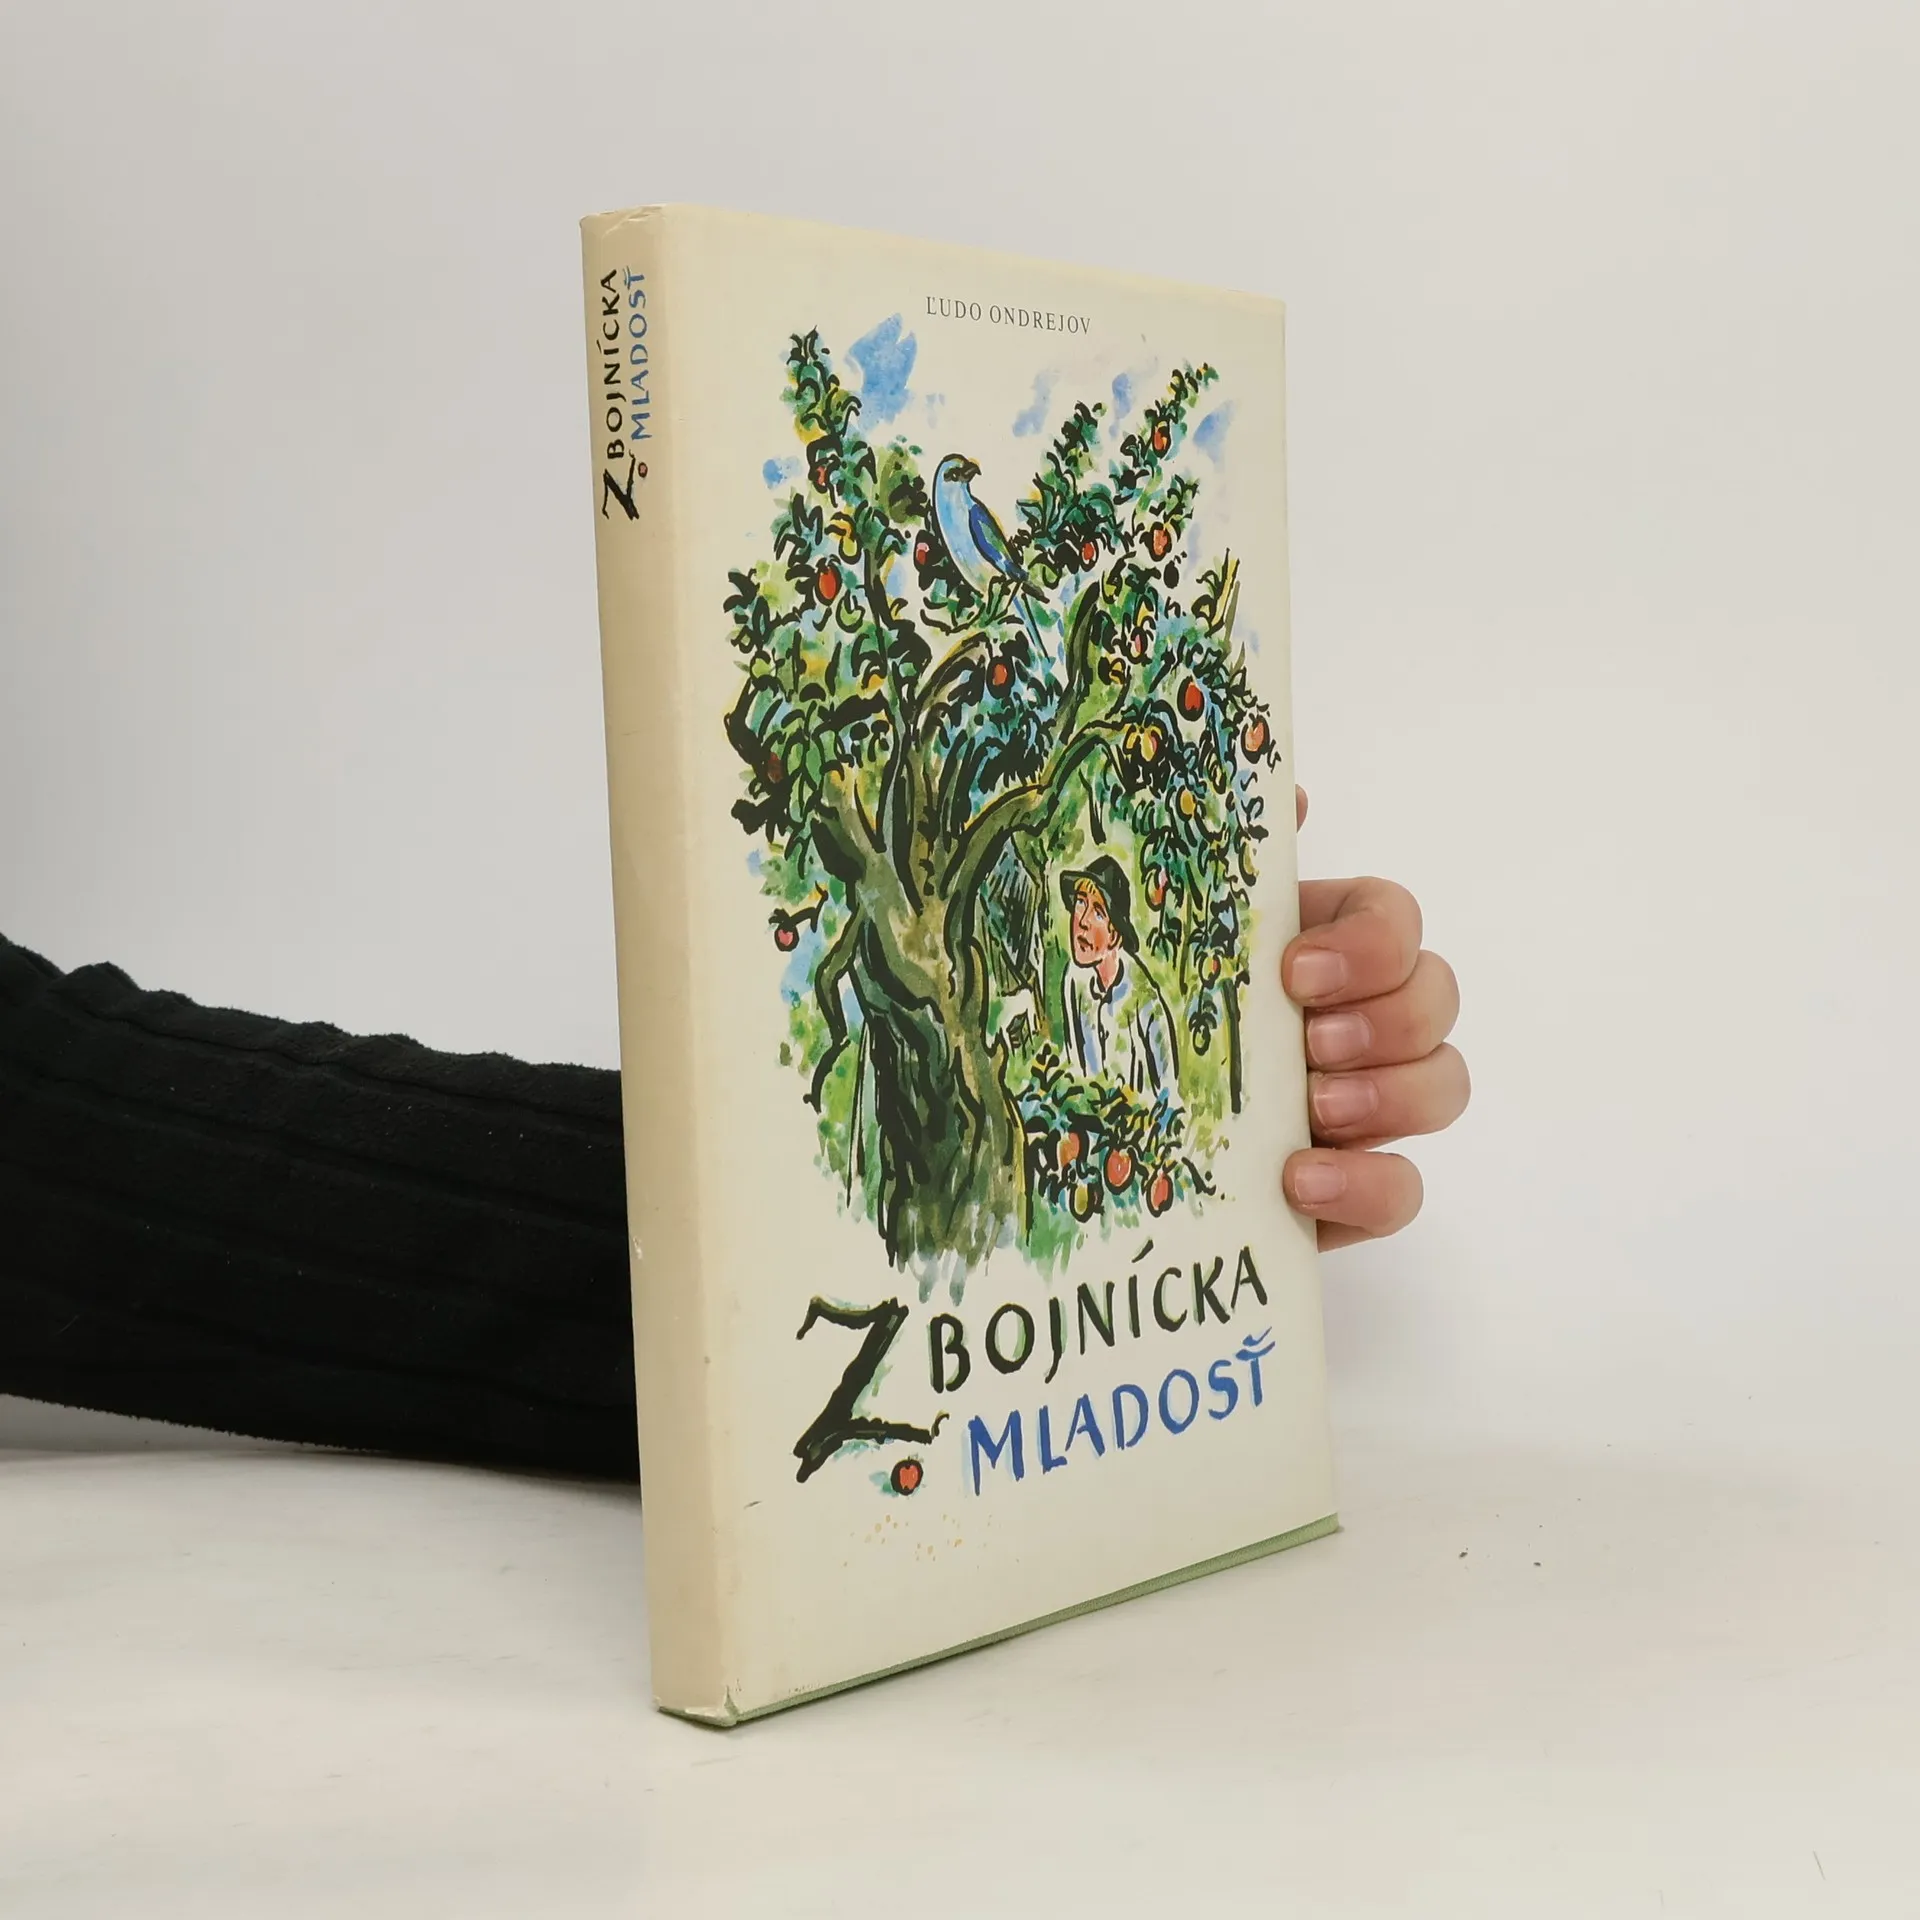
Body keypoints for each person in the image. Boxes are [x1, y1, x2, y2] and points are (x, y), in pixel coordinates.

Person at [0, 786, 1467, 1472]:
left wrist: (1150, 1216)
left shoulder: (1127, 1003)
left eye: (1095, 913)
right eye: (1072, 912)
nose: (1082, 930)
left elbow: (63, 1133)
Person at [1060, 855, 1178, 1096]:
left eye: (1098, 913)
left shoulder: (1145, 1003)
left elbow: (1169, 1097)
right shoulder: (1074, 980)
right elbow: (1076, 1069)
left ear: (1114, 936)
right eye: (1080, 902)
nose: (1082, 921)